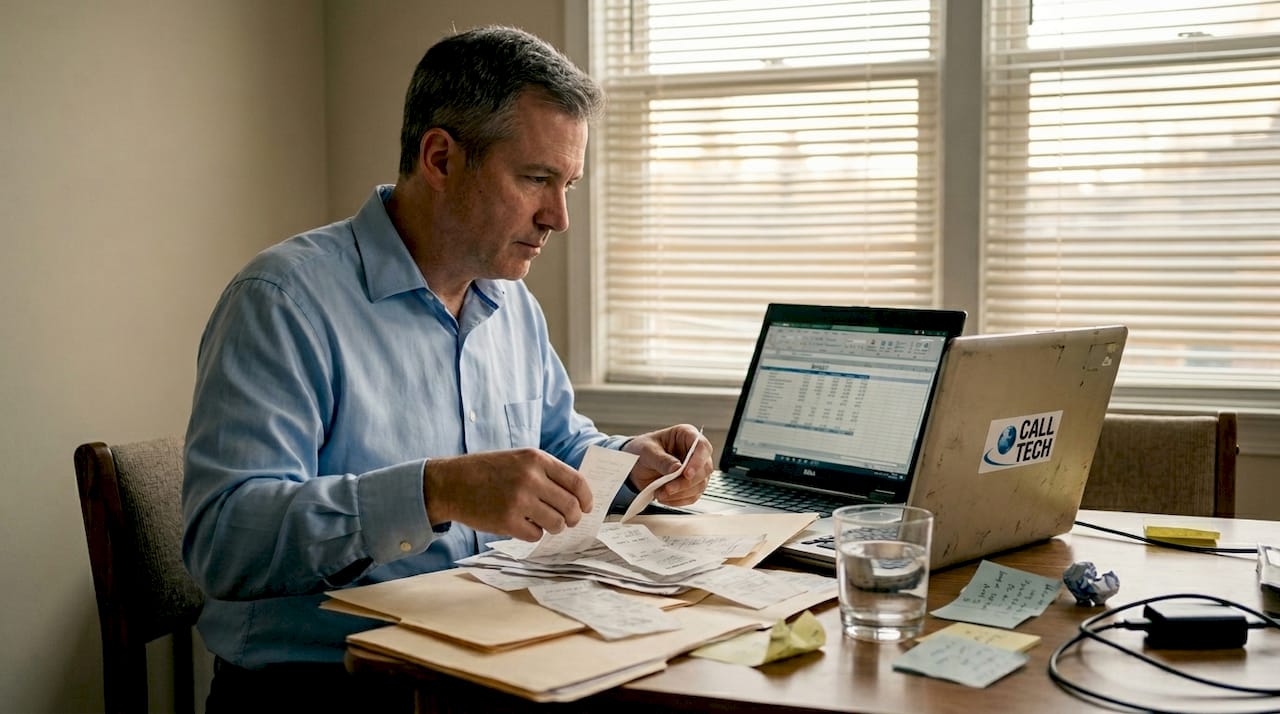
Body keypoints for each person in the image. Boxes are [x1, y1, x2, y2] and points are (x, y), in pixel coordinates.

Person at [182, 25, 713, 712]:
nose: (559, 217)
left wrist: (627, 461)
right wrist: (434, 493)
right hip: (322, 688)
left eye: (569, 185)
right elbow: (224, 541)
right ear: (439, 157)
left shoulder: (510, 301)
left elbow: (554, 444)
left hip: (485, 660)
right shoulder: (283, 301)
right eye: (536, 179)